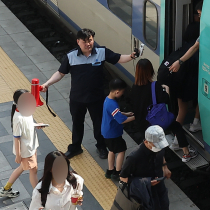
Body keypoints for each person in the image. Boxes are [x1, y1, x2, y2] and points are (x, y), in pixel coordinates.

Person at [41, 28, 137, 160]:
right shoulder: (71, 56)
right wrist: (47, 84)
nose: (88, 44)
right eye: (85, 41)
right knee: (77, 123)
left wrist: (131, 56)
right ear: (78, 42)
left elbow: (118, 58)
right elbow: (60, 73)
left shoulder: (101, 52)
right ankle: (75, 147)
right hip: (77, 98)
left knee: (98, 123)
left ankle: (101, 146)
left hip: (96, 97)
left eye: (90, 40)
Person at [126, 59, 194, 161]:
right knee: (176, 126)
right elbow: (165, 100)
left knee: (152, 145)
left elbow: (132, 104)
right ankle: (186, 153)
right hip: (156, 122)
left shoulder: (134, 88)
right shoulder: (155, 85)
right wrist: (166, 89)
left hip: (142, 124)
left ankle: (153, 161)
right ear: (151, 71)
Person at [0, 90, 48, 199]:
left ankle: (6, 189)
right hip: (26, 150)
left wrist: (36, 125)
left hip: (31, 147)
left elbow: (27, 126)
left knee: (24, 168)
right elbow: (17, 138)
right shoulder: (18, 118)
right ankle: (39, 196)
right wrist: (18, 155)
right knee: (33, 171)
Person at [167, 0, 202, 133]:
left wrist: (179, 62)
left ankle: (176, 139)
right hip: (191, 85)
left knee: (182, 110)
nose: (199, 17)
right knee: (201, 99)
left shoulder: (181, 50)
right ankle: (195, 123)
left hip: (180, 85)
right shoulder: (197, 54)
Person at [101, 78, 133, 179]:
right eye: (122, 92)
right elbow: (121, 120)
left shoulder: (108, 100)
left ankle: (110, 170)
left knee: (111, 150)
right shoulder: (113, 104)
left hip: (107, 131)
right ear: (117, 92)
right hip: (113, 133)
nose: (122, 94)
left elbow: (115, 113)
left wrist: (125, 113)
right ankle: (118, 172)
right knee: (121, 150)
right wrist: (135, 117)